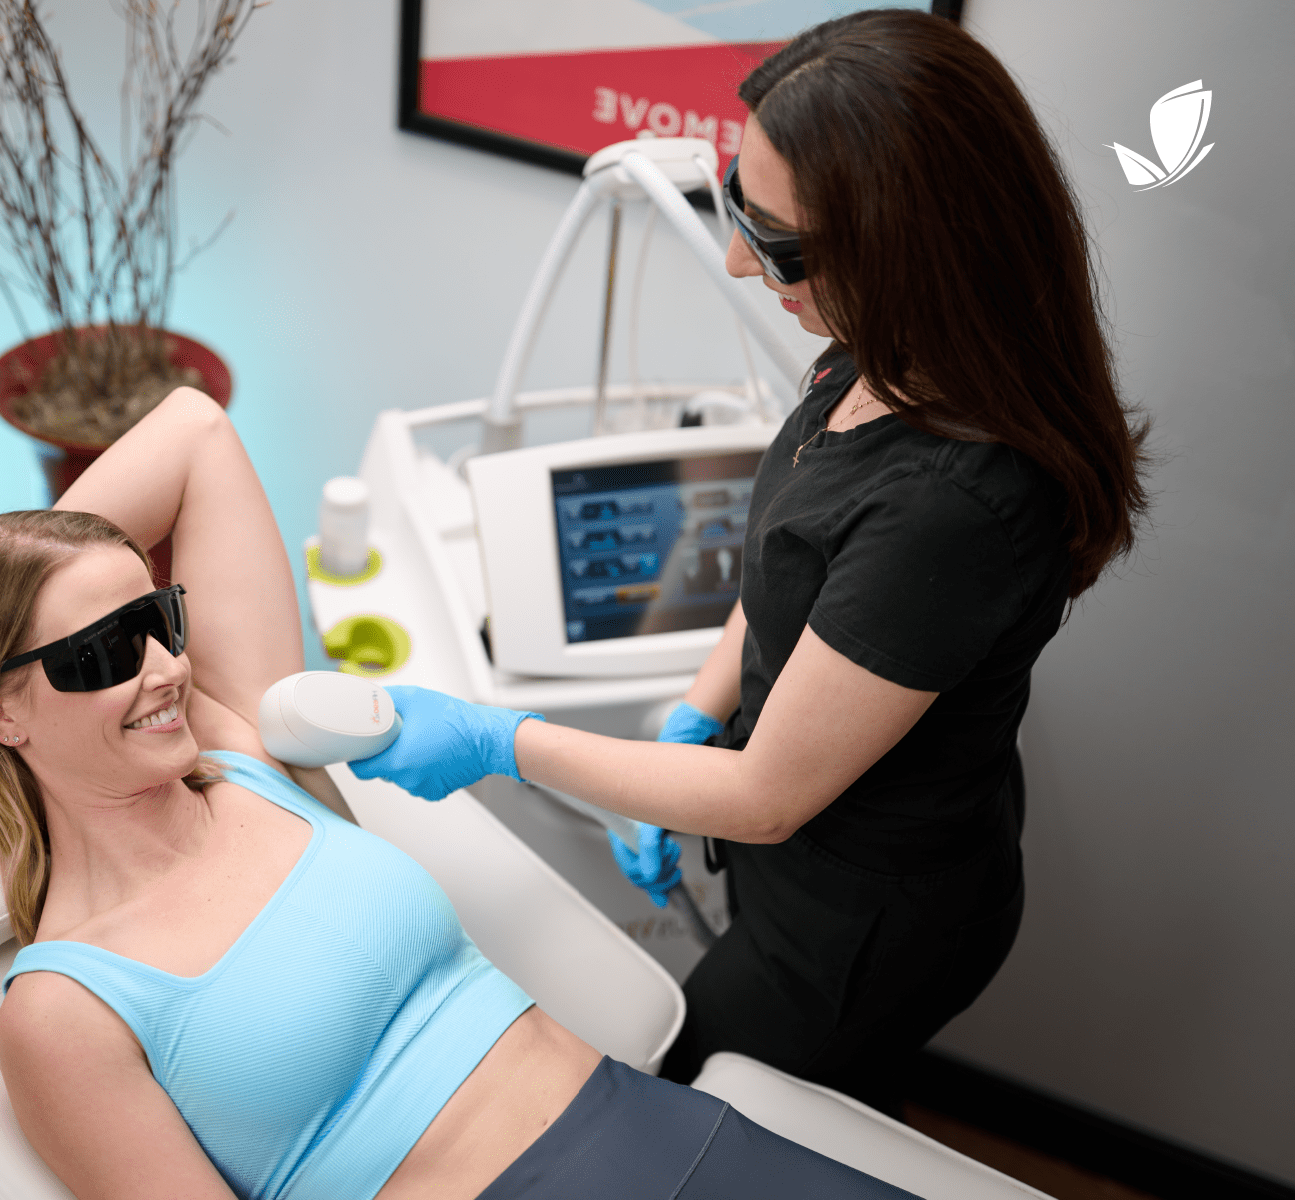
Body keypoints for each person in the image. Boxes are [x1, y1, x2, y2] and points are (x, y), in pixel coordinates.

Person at [349, 9, 1151, 1114]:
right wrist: (696, 702)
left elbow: (768, 798)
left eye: (776, 245)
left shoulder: (955, 506)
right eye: (736, 202)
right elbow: (794, 570)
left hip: (857, 929)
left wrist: (505, 743)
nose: (734, 262)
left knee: (686, 1108)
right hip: (802, 853)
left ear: (909, 248)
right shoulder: (875, 356)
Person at [0, 386, 921, 1198]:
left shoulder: (245, 753)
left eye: (159, 620)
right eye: (105, 650)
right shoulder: (64, 1011)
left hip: (671, 1135)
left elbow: (195, 432)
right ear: (0, 714)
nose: (162, 670)